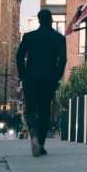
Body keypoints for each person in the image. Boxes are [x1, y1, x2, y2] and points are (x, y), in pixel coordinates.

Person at [16, 8, 67, 157]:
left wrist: (23, 74)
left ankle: (33, 133)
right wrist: (56, 76)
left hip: (31, 79)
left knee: (30, 110)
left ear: (39, 20)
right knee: (45, 112)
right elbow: (63, 59)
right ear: (51, 19)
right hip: (48, 80)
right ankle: (41, 144)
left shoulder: (29, 37)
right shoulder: (58, 38)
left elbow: (19, 56)